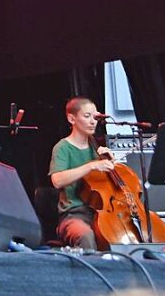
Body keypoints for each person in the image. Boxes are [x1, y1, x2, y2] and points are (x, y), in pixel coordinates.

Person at [48, 96, 116, 250]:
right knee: (86, 236)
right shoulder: (62, 148)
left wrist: (111, 163)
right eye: (87, 116)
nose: (93, 121)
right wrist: (91, 166)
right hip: (73, 215)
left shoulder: (96, 145)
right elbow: (57, 180)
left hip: (99, 213)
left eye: (95, 117)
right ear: (72, 119)